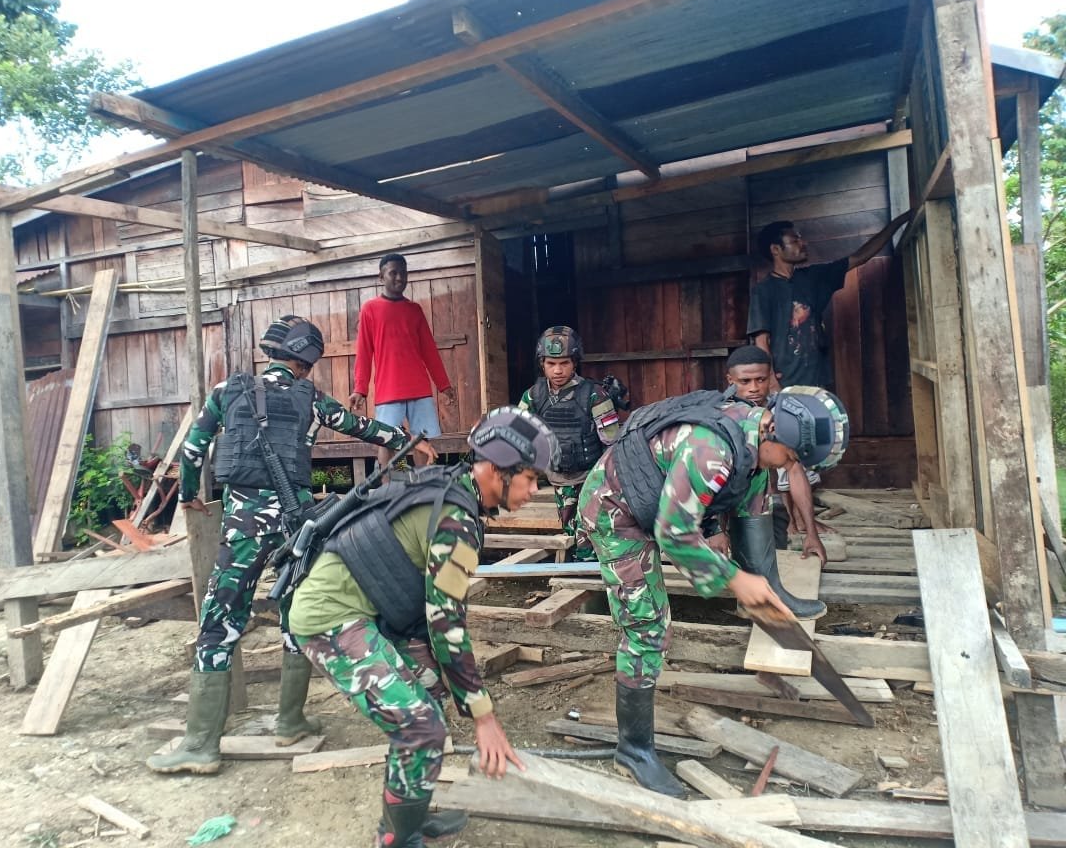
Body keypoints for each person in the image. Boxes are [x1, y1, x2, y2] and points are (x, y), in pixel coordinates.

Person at [147, 316, 437, 775]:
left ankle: (201, 745)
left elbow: (192, 451)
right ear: (307, 361)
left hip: (243, 523)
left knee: (220, 622)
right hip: (297, 524)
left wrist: (187, 495)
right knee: (294, 613)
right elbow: (363, 427)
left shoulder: (227, 391)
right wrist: (410, 441)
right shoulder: (310, 398)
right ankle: (290, 720)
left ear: (271, 352)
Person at [289, 407, 558, 848]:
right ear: (494, 471)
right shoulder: (458, 520)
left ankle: (410, 814)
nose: (532, 491)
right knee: (421, 729)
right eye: (529, 479)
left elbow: (440, 615)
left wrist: (466, 697)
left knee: (430, 689)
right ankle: (396, 839)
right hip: (330, 617)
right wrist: (483, 716)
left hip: (374, 608)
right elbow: (445, 620)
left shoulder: (455, 491)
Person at [577, 386, 849, 797]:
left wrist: (761, 586)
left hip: (662, 500)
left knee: (755, 491)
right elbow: (673, 533)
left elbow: (748, 509)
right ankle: (633, 751)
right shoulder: (712, 452)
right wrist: (734, 579)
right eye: (792, 458)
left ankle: (770, 588)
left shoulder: (754, 436)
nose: (791, 467)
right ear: (775, 432)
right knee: (648, 628)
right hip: (618, 513)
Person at [748, 212, 911, 392]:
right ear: (775, 249)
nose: (803, 244)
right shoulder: (763, 291)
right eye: (795, 241)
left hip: (818, 377)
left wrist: (898, 222)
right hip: (784, 381)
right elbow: (761, 341)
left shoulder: (814, 278)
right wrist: (771, 380)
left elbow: (860, 257)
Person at [518, 326, 624, 562]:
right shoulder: (533, 396)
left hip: (592, 476)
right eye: (551, 364)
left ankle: (593, 569)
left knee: (594, 529)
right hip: (559, 477)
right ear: (542, 364)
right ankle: (585, 566)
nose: (557, 370)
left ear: (574, 362)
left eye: (564, 363)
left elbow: (612, 443)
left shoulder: (595, 395)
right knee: (571, 528)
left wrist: (609, 482)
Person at [717, 345, 829, 564]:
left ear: (771, 377)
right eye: (745, 382)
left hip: (764, 505)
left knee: (766, 560)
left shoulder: (783, 413)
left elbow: (794, 471)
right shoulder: (720, 418)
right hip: (718, 507)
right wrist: (717, 531)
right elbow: (712, 482)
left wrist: (812, 534)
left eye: (761, 379)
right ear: (730, 380)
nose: (754, 388)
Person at [349, 253, 456, 469]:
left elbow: (429, 352)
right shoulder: (370, 309)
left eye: (403, 273)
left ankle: (422, 488)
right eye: (393, 273)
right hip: (389, 389)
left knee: (421, 440)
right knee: (385, 440)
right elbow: (364, 352)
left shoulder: (414, 310)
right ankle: (386, 488)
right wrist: (360, 389)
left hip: (419, 387)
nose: (399, 278)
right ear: (381, 276)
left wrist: (444, 385)